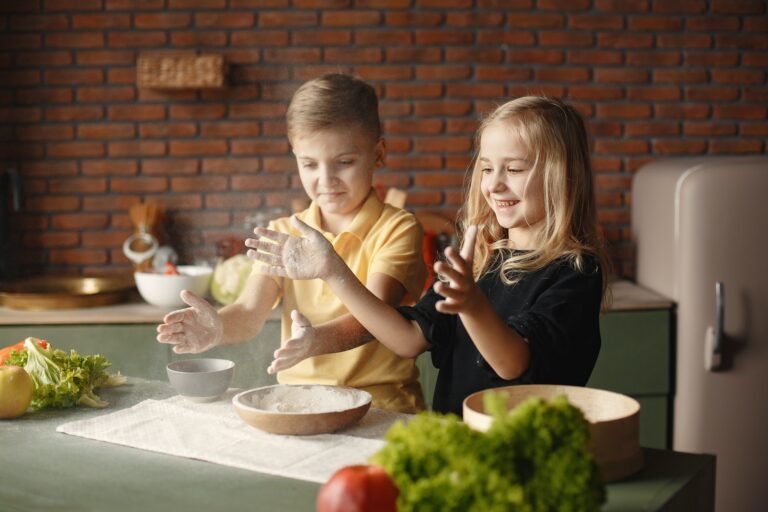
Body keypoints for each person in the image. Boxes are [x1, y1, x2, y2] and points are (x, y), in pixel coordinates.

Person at [247, 95, 610, 416]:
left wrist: (470, 303)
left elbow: (512, 364)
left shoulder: (575, 272)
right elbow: (406, 339)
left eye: (514, 169)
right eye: (486, 168)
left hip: (526, 458)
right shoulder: (479, 263)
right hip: (457, 445)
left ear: (562, 177)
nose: (494, 184)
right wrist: (332, 270)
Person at [157, 73, 428, 413]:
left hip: (382, 407)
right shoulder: (283, 233)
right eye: (309, 164)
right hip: (302, 404)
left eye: (344, 162)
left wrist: (317, 337)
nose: (326, 180)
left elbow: (371, 322)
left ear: (378, 154)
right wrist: (219, 327)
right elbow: (249, 313)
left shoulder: (397, 228)